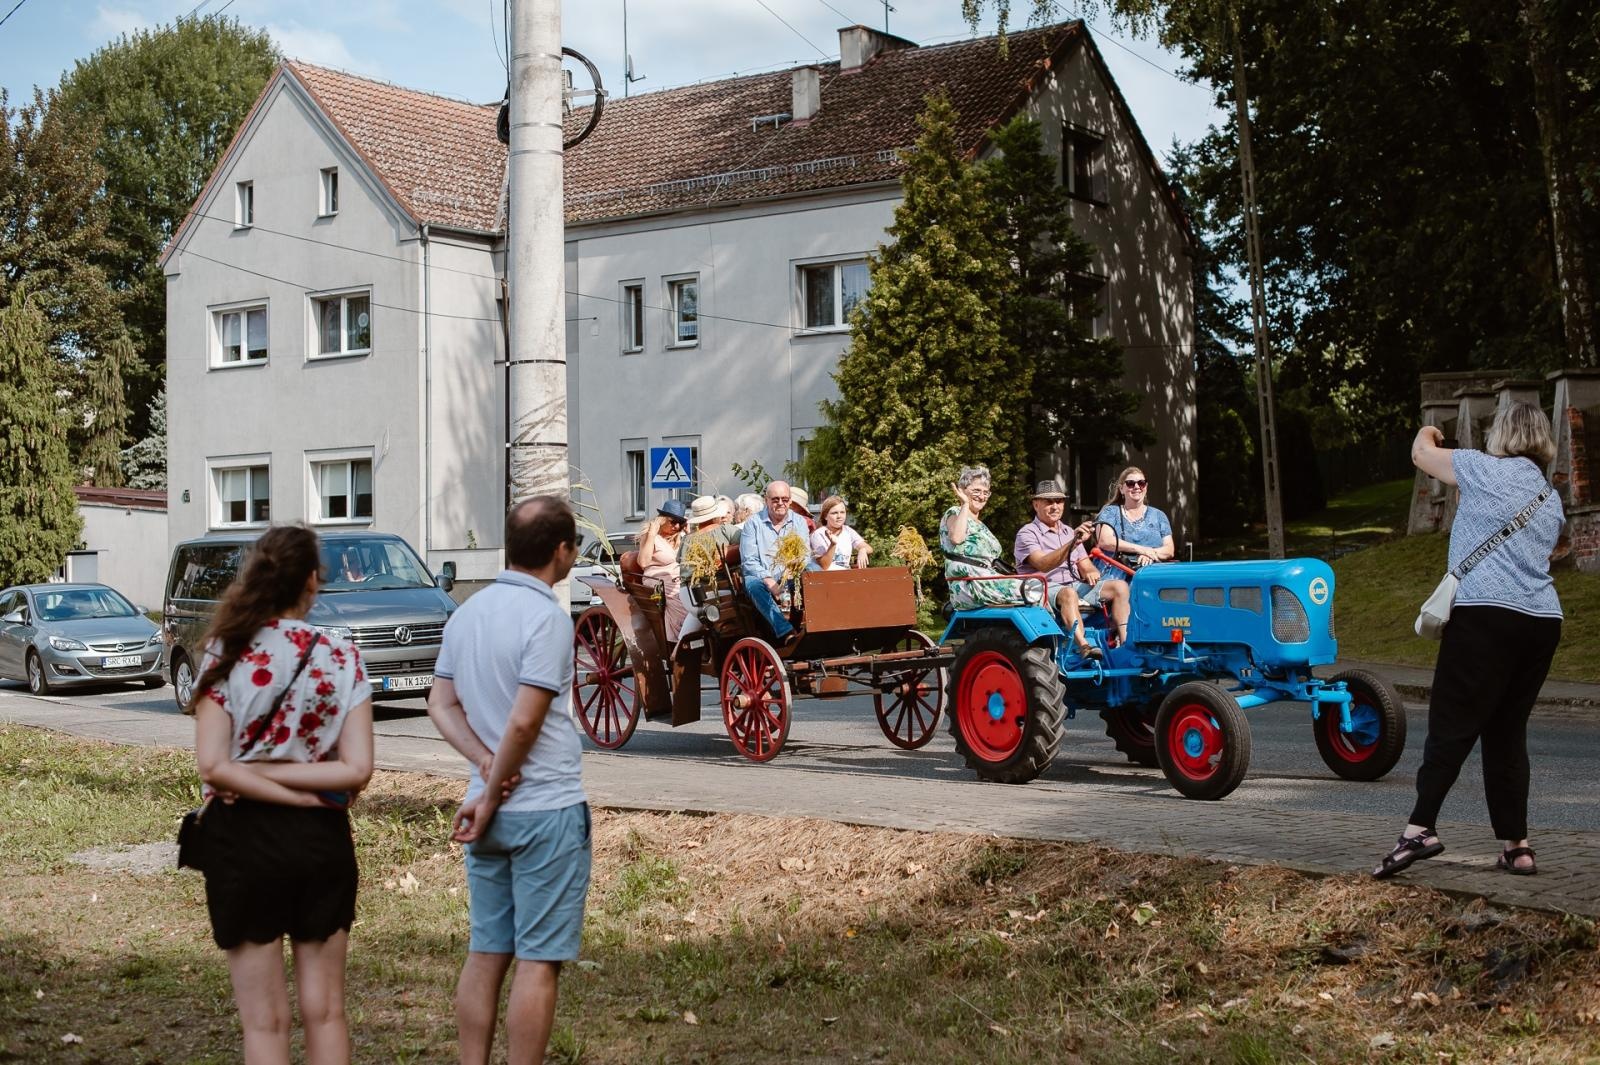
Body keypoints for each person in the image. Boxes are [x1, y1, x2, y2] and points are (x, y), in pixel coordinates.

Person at [189, 524, 375, 1065]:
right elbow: (357, 769)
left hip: (242, 839)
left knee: (265, 1023)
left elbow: (214, 767)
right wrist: (297, 789)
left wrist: (266, 780)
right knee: (326, 1012)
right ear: (313, 582)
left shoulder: (225, 652)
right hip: (322, 840)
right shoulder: (342, 657)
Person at [426, 497, 591, 1065]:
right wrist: (498, 785)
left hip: (484, 811)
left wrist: (483, 767)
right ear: (560, 551)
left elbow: (440, 702)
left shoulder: (468, 612)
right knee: (537, 960)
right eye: (574, 547)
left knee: (487, 952)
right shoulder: (546, 617)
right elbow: (526, 718)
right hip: (543, 810)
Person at [1372, 402, 1564, 880]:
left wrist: (1429, 429)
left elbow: (1421, 454)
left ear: (1500, 434)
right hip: (1542, 620)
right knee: (1506, 732)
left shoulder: (1479, 467)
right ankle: (1517, 847)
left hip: (1484, 616)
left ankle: (1419, 830)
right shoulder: (1550, 495)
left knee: (1452, 725)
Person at [1013, 478, 1125, 658]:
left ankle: (1125, 644)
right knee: (1068, 594)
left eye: (1059, 501)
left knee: (1119, 586)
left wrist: (1091, 573)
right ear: (1036, 505)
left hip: (1073, 584)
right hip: (1042, 588)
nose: (1055, 506)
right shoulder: (1027, 533)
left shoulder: (1068, 531)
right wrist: (1073, 543)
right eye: (1048, 502)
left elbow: (1086, 566)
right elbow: (1043, 564)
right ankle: (1084, 646)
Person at [1094, 465, 1174, 641]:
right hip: (1116, 571)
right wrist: (1141, 549)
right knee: (1129, 589)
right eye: (1130, 483)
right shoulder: (1111, 512)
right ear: (1122, 488)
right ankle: (1125, 640)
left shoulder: (1158, 516)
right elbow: (1105, 541)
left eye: (1141, 483)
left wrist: (1150, 555)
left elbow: (1169, 549)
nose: (1136, 487)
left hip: (1149, 570)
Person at [739, 479, 817, 645]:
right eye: (775, 499)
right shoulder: (753, 524)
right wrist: (771, 582)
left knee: (813, 571)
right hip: (763, 576)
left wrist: (793, 567)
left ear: (790, 501)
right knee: (752, 583)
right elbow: (749, 561)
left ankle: (817, 625)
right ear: (766, 500)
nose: (780, 503)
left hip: (790, 573)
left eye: (785, 499)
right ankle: (785, 631)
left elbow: (804, 554)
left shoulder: (798, 521)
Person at [940, 465, 1024, 610]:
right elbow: (957, 538)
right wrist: (965, 503)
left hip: (987, 580)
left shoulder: (981, 525)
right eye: (976, 491)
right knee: (1033, 590)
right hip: (969, 585)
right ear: (962, 490)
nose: (982, 496)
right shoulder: (954, 513)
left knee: (1037, 587)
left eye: (986, 492)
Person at [677, 495, 739, 639]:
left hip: (688, 594)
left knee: (696, 617)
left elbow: (679, 561)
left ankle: (680, 647)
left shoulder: (687, 539)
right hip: (717, 592)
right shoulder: (726, 530)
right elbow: (749, 547)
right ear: (716, 515)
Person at [637, 499, 689, 643]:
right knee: (680, 596)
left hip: (679, 578)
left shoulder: (681, 537)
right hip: (656, 579)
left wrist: (688, 533)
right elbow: (643, 562)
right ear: (662, 519)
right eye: (673, 522)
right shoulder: (650, 536)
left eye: (681, 522)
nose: (677, 526)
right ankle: (678, 640)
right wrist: (652, 534)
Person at [811, 496, 871, 570]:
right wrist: (833, 544)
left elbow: (869, 548)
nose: (839, 516)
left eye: (842, 512)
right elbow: (824, 565)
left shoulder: (848, 531)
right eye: (834, 513)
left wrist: (863, 549)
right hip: (826, 578)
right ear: (825, 516)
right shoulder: (818, 534)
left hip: (845, 576)